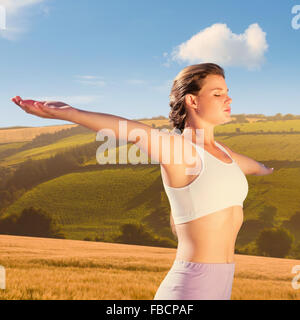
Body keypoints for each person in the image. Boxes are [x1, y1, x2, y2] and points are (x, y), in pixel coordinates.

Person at [11, 63, 273, 300]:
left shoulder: (225, 153)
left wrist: (267, 170)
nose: (228, 99)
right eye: (217, 94)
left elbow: (259, 168)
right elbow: (132, 131)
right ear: (192, 100)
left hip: (221, 286)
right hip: (190, 288)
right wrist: (71, 113)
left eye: (227, 91)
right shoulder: (179, 150)